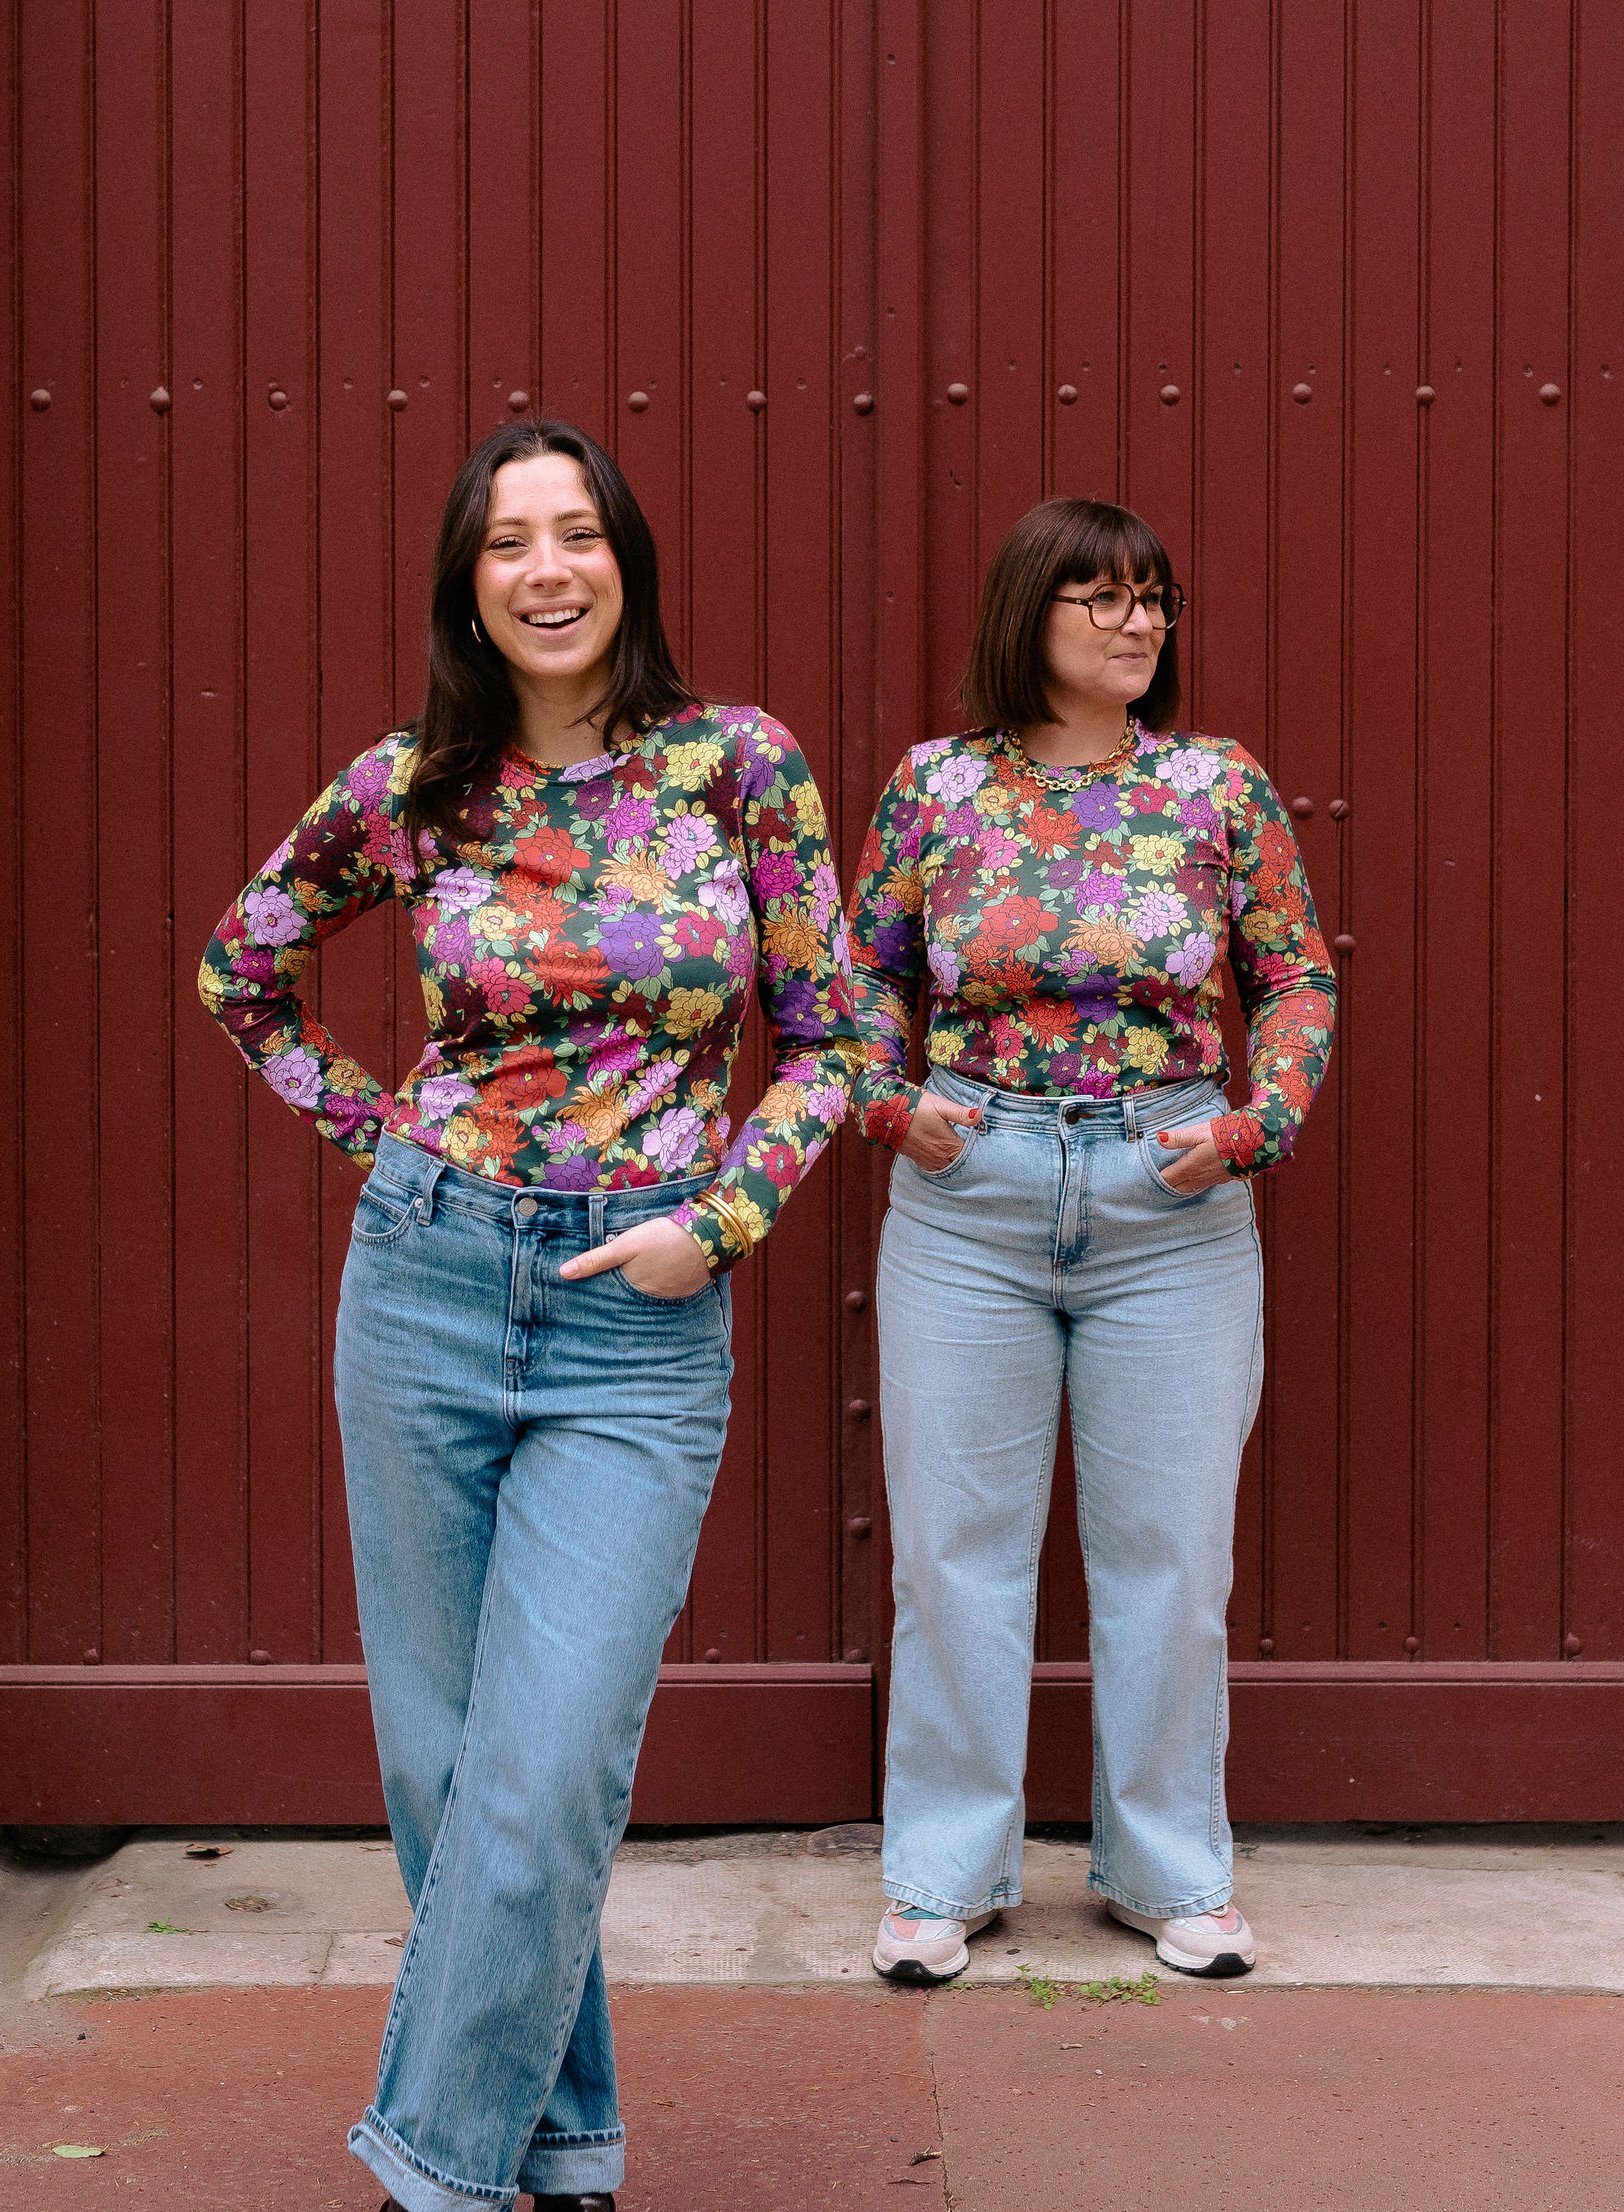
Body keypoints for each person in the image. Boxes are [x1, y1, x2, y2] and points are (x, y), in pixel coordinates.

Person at [199, 417, 860, 2212]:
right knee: (444, 1763)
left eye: (578, 534)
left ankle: (435, 2172)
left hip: (637, 1306)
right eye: (509, 543)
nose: (547, 570)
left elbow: (837, 1035)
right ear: (467, 584)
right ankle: (563, 2152)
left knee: (549, 1762)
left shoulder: (737, 766)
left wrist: (719, 1221)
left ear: (626, 561)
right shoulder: (410, 786)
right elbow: (242, 970)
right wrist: (386, 1140)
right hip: (426, 1280)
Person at [846, 496, 1337, 1988]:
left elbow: (1296, 979)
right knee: (952, 1556)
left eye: (1153, 600)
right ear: (1029, 615)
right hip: (970, 1199)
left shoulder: (1216, 786)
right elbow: (853, 983)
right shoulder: (935, 787)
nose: (1138, 624)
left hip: (1171, 1200)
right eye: (1103, 598)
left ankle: (1169, 1874)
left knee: (1170, 1558)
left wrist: (1256, 1125)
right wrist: (890, 1105)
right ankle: (942, 1879)